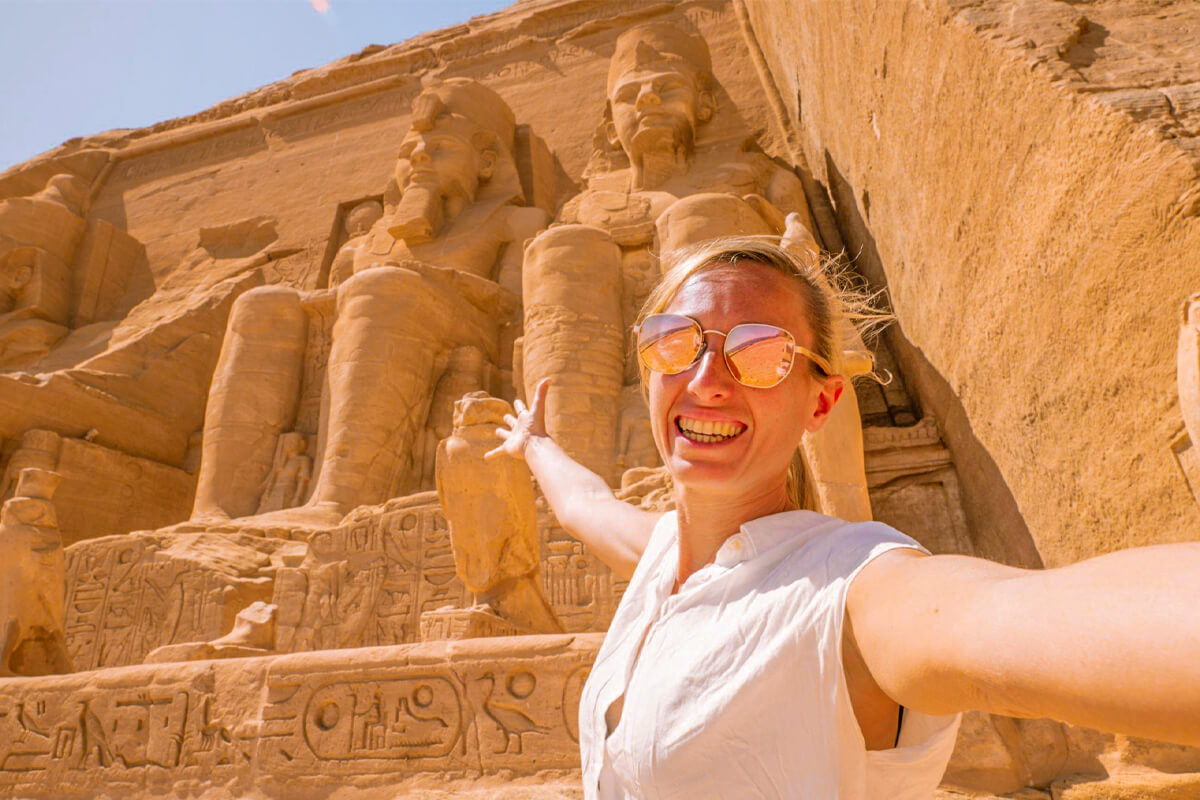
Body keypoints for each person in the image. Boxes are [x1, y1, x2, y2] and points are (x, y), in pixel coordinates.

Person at [487, 236, 1200, 798]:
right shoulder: (661, 551)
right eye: (676, 341)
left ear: (820, 403)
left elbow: (1002, 618)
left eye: (760, 354)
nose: (707, 381)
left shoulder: (853, 595)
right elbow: (588, 505)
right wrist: (535, 445)